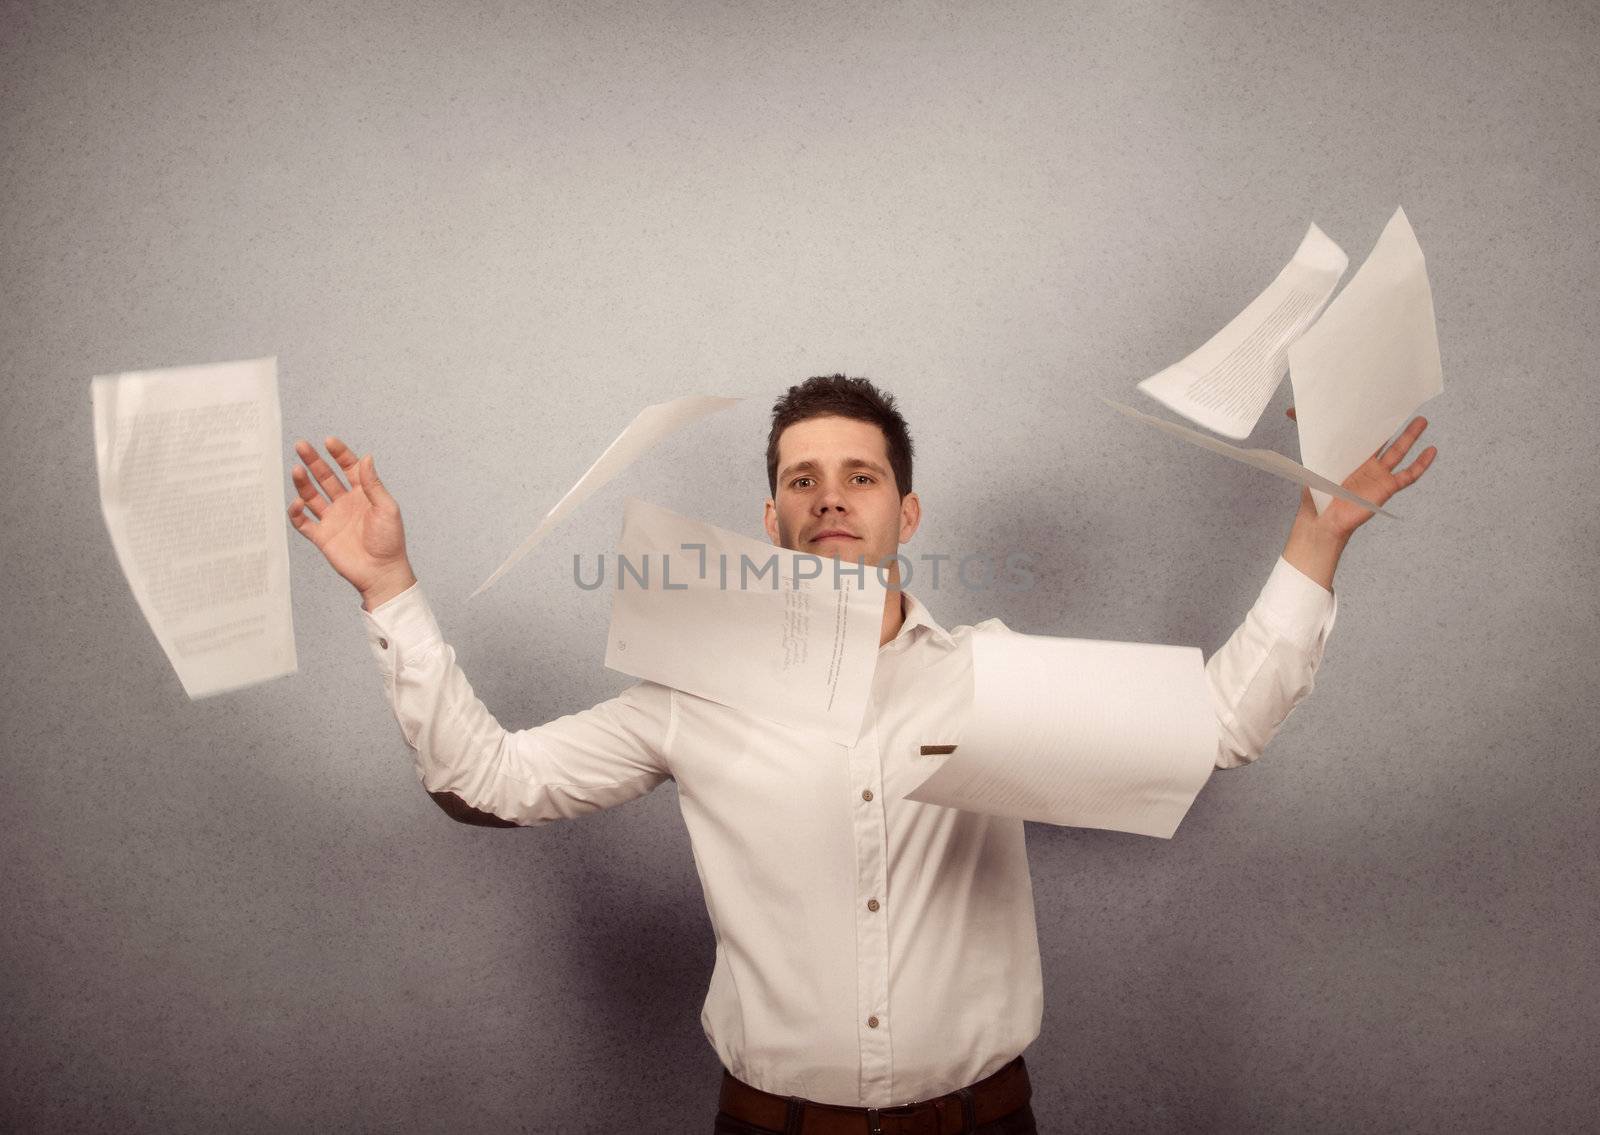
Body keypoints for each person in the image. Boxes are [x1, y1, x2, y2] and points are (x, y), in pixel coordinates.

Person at [287, 376, 1436, 1133]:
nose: (830, 496)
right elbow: (485, 784)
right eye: (801, 478)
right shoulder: (693, 695)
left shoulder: (991, 672)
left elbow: (1220, 724)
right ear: (773, 518)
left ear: (908, 512)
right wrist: (389, 587)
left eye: (860, 475)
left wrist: (1314, 534)